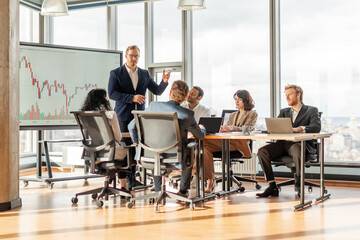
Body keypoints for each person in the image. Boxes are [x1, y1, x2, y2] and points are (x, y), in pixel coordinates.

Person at [108, 45, 171, 190]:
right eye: (131, 56)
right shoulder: (116, 73)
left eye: (136, 56)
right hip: (123, 116)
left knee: (138, 148)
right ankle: (124, 182)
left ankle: (132, 178)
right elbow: (112, 94)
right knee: (125, 148)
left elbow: (157, 91)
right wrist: (132, 98)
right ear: (126, 56)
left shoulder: (144, 73)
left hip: (140, 118)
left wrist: (164, 82)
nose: (134, 59)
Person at [128, 80, 206, 196]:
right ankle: (183, 191)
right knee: (191, 150)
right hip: (175, 157)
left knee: (156, 153)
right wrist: (202, 129)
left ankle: (158, 191)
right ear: (185, 97)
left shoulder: (153, 106)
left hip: (149, 154)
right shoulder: (187, 114)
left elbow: (131, 126)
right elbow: (199, 136)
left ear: (170, 92)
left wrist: (140, 145)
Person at [256, 84, 321, 198]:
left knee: (296, 148)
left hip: (300, 145)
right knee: (262, 151)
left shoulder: (311, 110)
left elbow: (316, 127)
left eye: (290, 94)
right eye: (286, 95)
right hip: (283, 144)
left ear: (298, 94)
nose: (287, 98)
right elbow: (276, 127)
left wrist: (301, 128)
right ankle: (272, 186)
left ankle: (300, 183)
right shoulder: (284, 112)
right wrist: (269, 131)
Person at [203, 90, 258, 193]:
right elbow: (227, 127)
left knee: (204, 144)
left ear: (246, 101)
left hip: (239, 144)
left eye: (240, 99)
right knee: (205, 146)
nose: (237, 102)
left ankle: (210, 182)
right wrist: (224, 128)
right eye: (235, 99)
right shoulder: (233, 115)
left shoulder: (252, 114)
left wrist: (231, 128)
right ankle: (210, 180)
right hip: (227, 141)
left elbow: (249, 128)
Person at [81, 89, 129, 193]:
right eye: (106, 97)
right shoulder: (110, 114)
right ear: (103, 100)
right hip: (110, 152)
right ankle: (124, 185)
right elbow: (118, 137)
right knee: (129, 149)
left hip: (93, 153)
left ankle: (111, 179)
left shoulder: (86, 115)